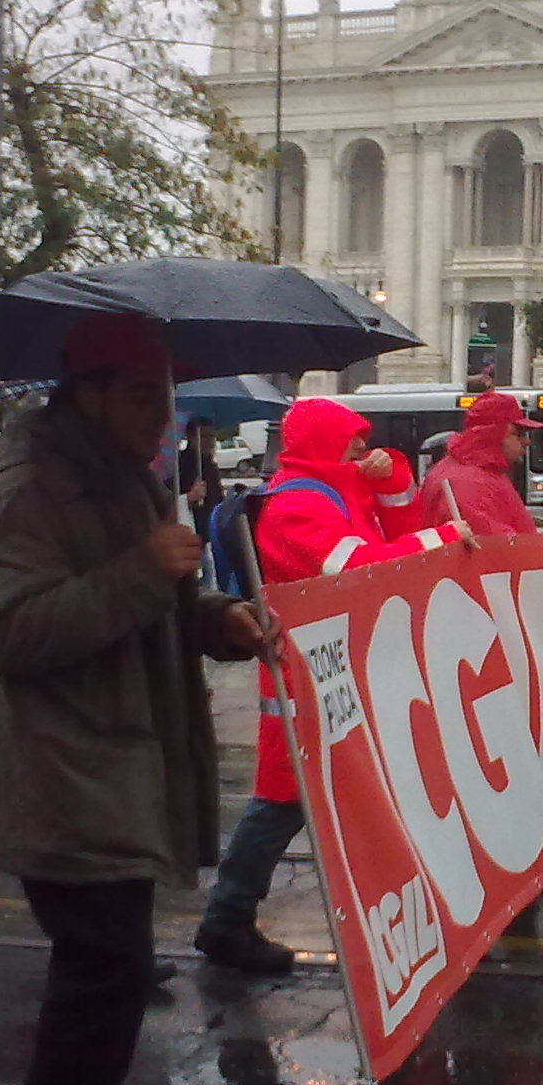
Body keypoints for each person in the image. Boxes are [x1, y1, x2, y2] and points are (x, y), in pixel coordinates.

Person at [0, 311, 269, 1085]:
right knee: (105, 974)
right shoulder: (25, 490)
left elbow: (160, 598)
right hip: (66, 771)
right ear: (89, 393)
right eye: (145, 398)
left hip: (118, 763)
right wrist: (144, 571)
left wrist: (216, 618)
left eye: (167, 398)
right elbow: (16, 629)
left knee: (113, 974)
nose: (162, 418)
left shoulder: (128, 484)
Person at [194, 395, 467, 974]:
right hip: (306, 687)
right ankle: (227, 920)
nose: (360, 449)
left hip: (338, 677)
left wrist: (392, 470)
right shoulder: (297, 507)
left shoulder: (336, 489)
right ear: (322, 443)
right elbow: (366, 568)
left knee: (330, 802)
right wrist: (442, 542)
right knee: (280, 807)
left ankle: (234, 919)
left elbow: (402, 520)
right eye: (353, 441)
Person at [421, 389, 540, 536]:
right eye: (518, 434)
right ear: (492, 434)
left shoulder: (480, 473)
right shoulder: (470, 482)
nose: (526, 442)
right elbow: (495, 546)